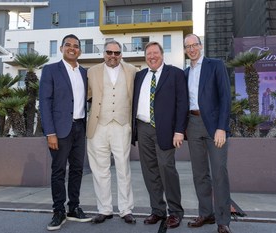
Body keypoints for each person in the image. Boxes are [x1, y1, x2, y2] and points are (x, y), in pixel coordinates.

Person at [132, 41, 188, 229]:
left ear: (162, 55)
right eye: (149, 54)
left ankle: (175, 212)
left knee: (167, 168)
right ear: (145, 56)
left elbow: (182, 104)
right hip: (143, 128)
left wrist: (179, 130)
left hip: (166, 130)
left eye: (155, 53)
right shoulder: (139, 76)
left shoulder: (176, 74)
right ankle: (157, 210)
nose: (152, 57)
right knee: (150, 171)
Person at [39, 34, 91, 231]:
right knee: (59, 171)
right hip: (60, 129)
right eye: (68, 45)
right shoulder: (51, 70)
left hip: (80, 128)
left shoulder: (85, 73)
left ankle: (73, 208)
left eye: (76, 46)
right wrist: (49, 132)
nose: (72, 48)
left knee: (78, 170)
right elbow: (45, 102)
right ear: (61, 48)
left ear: (80, 50)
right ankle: (58, 211)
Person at [184, 33, 232, 233]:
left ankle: (223, 221)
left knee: (219, 172)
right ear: (185, 50)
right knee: (199, 173)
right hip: (192, 124)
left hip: (214, 126)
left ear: (201, 46)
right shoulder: (184, 72)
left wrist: (222, 127)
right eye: (188, 46)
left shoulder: (216, 65)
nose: (192, 49)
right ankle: (206, 214)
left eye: (195, 45)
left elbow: (225, 97)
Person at [87, 40, 137, 224]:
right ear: (104, 53)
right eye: (109, 52)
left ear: (121, 55)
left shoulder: (132, 71)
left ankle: (126, 209)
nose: (113, 56)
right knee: (100, 170)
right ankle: (104, 209)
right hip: (98, 125)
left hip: (122, 125)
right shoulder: (91, 72)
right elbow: (87, 95)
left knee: (124, 169)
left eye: (116, 53)